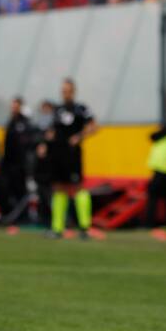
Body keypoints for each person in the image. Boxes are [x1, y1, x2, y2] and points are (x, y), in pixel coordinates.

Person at [47, 79, 98, 239]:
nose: (65, 93)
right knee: (58, 188)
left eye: (68, 90)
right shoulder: (57, 109)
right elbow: (52, 130)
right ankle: (57, 229)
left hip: (72, 154)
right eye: (63, 90)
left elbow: (94, 127)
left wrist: (79, 136)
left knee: (78, 188)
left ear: (73, 91)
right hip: (57, 154)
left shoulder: (81, 108)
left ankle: (84, 228)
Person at [0, 97, 35, 220]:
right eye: (12, 105)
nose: (13, 108)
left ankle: (22, 217)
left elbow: (27, 143)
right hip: (8, 162)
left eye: (16, 105)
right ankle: (10, 215)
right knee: (7, 189)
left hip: (20, 164)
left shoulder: (24, 122)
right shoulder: (10, 121)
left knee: (20, 190)